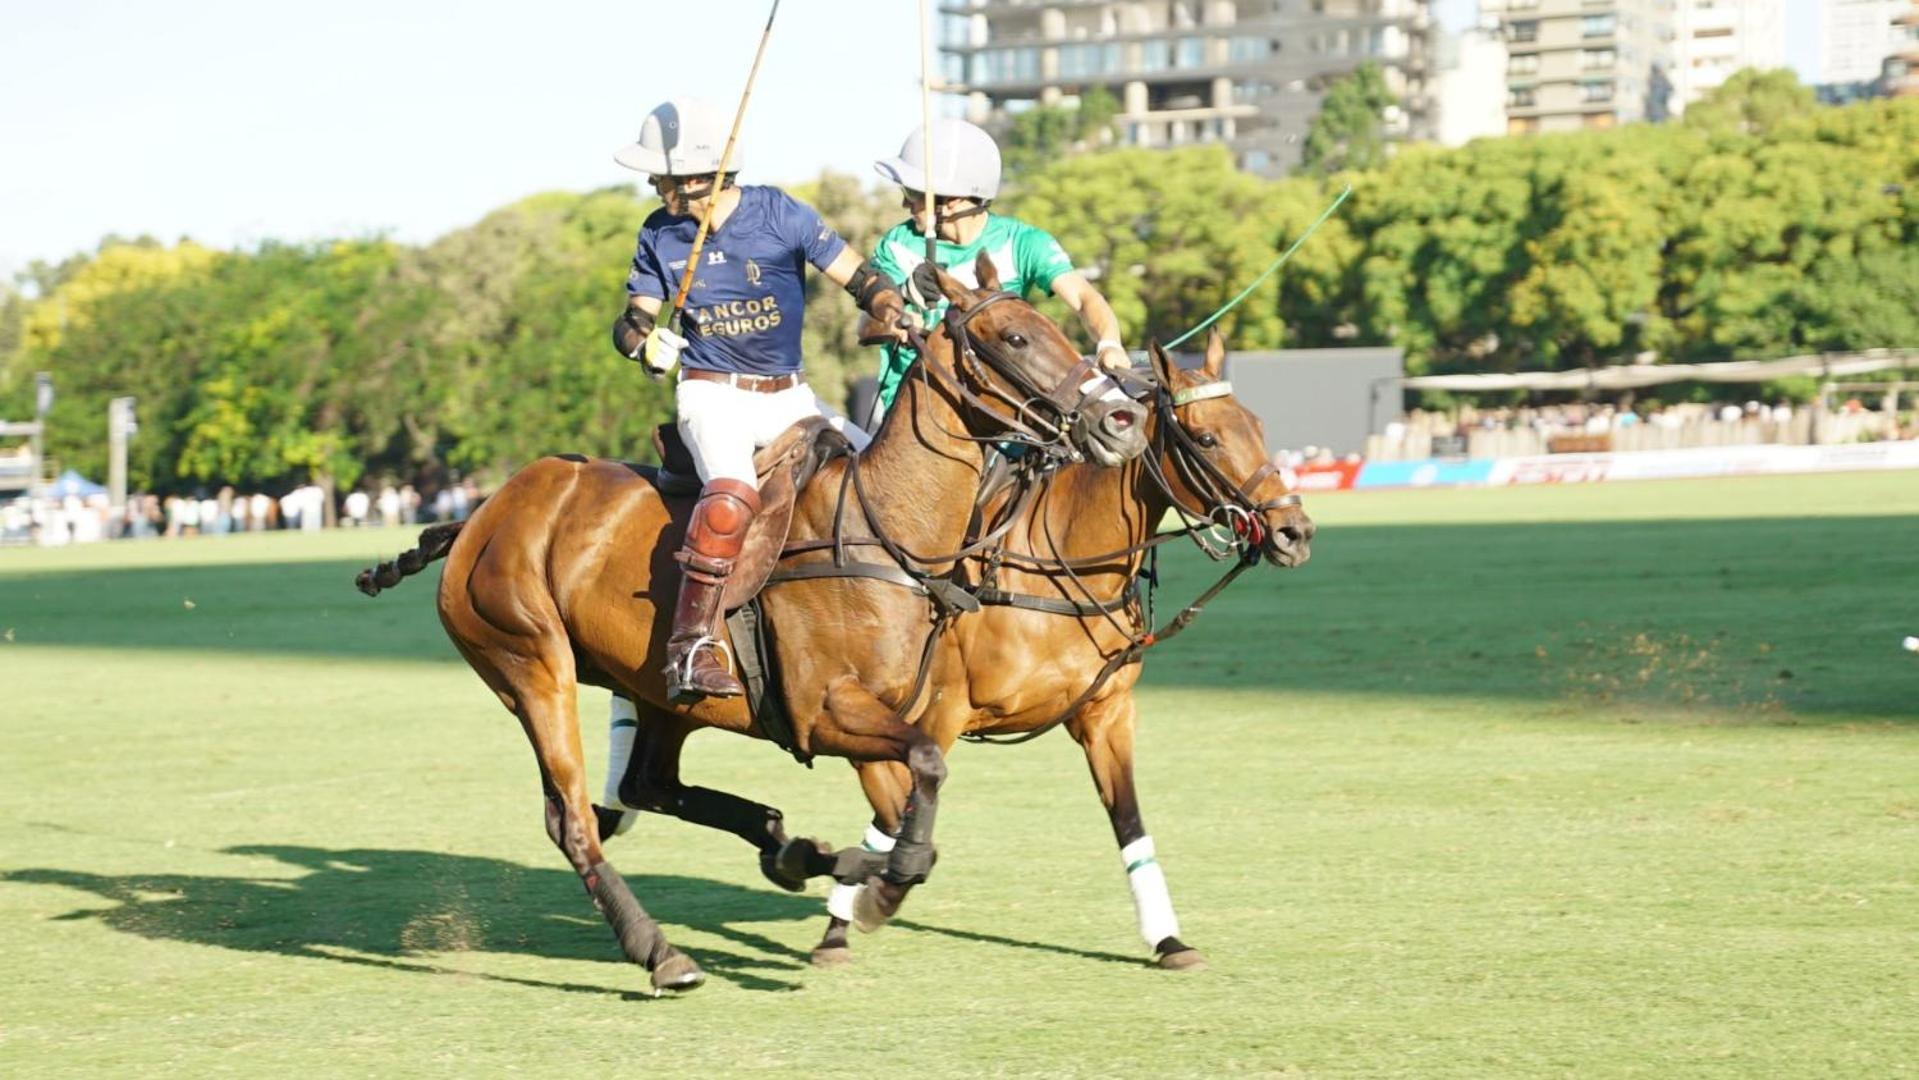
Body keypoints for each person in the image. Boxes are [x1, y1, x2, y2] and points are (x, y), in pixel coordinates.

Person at [610, 97, 909, 702]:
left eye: (663, 174)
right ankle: (691, 645)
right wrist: (645, 345)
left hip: (789, 394)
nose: (653, 183)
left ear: (699, 176)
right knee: (730, 494)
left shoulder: (781, 214)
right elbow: (630, 320)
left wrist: (888, 308)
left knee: (879, 477)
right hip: (710, 393)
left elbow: (860, 277)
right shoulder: (659, 233)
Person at [865, 118, 1130, 417]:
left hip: (1001, 410)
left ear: (952, 200)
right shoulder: (896, 245)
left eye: (913, 194)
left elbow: (1084, 298)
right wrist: (904, 295)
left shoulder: (1024, 242)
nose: (906, 204)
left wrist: (1109, 343)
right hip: (914, 408)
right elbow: (878, 314)